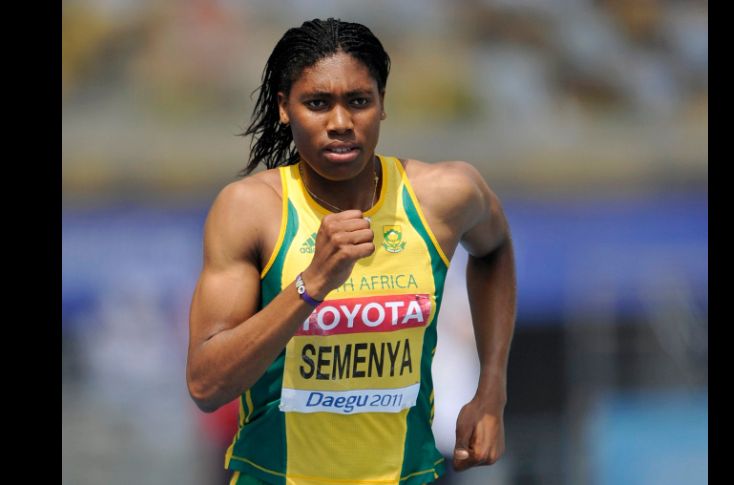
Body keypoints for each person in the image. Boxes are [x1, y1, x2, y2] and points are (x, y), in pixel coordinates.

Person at [186, 18, 517, 485]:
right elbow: (206, 385)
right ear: (284, 108)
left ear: (382, 105)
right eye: (317, 103)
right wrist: (312, 284)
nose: (340, 123)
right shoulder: (250, 210)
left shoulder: (444, 195)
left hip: (408, 474)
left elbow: (495, 248)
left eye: (358, 101)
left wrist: (492, 388)